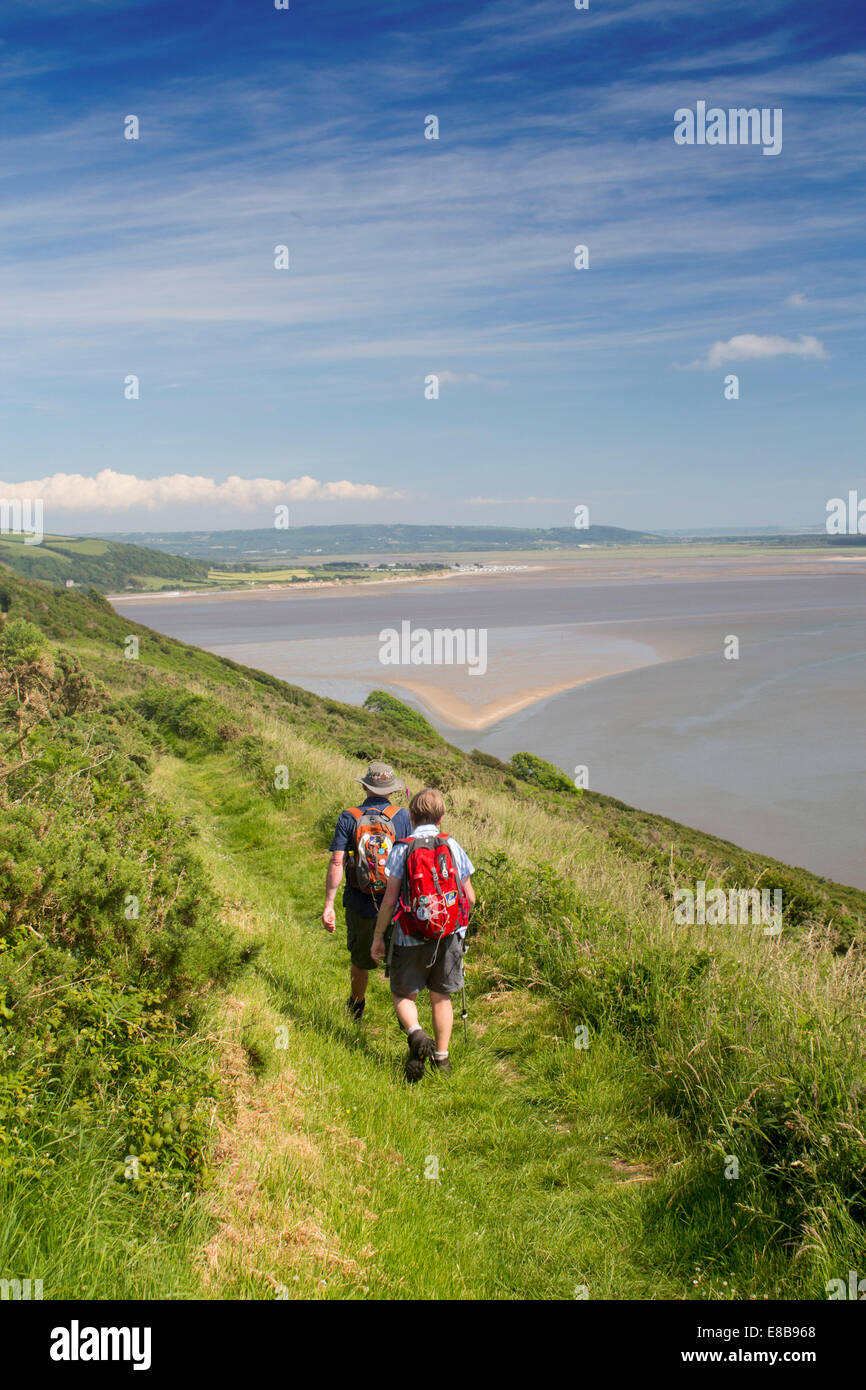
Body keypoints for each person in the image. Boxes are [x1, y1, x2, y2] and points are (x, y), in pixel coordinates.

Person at [371, 788, 475, 1082]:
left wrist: (379, 936)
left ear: (411, 816)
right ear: (441, 818)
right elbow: (470, 897)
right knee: (441, 998)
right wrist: (459, 926)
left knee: (403, 994)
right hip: (448, 934)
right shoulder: (452, 846)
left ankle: (417, 1035)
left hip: (409, 935)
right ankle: (441, 1060)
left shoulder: (402, 848)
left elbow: (390, 901)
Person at [323, 762, 412, 1019]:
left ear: (364, 786)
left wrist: (329, 905)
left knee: (360, 962)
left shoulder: (348, 816)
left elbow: (337, 861)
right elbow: (409, 860)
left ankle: (356, 1006)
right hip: (395, 905)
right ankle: (407, 1020)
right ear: (392, 790)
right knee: (398, 964)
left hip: (359, 902)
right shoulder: (402, 817)